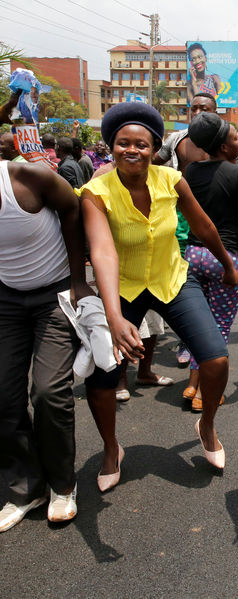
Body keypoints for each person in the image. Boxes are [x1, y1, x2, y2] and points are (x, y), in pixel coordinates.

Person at [80, 102, 238, 487]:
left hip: (172, 280)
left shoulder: (171, 180)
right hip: (125, 289)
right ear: (111, 147)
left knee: (216, 360)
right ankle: (111, 447)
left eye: (141, 144)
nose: (132, 150)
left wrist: (228, 266)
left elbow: (203, 225)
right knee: (104, 373)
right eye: (122, 143)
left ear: (154, 149)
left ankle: (207, 426)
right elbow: (101, 250)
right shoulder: (95, 192)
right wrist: (114, 317)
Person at [0, 110, 94, 530]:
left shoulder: (26, 177)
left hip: (53, 295)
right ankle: (25, 486)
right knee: (3, 395)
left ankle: (62, 484)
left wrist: (78, 280)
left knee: (48, 391)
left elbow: (73, 211)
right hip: (6, 299)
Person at [181, 112, 238, 410]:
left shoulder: (191, 171)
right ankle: (207, 393)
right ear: (223, 147)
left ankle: (193, 385)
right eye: (236, 138)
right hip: (226, 258)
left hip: (193, 255)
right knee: (219, 328)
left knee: (199, 325)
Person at [153, 92, 217, 366]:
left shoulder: (221, 141)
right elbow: (156, 161)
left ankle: (205, 341)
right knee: (181, 277)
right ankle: (186, 340)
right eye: (195, 108)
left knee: (210, 287)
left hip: (212, 219)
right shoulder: (176, 139)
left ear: (215, 112)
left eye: (205, 108)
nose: (199, 112)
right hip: (177, 217)